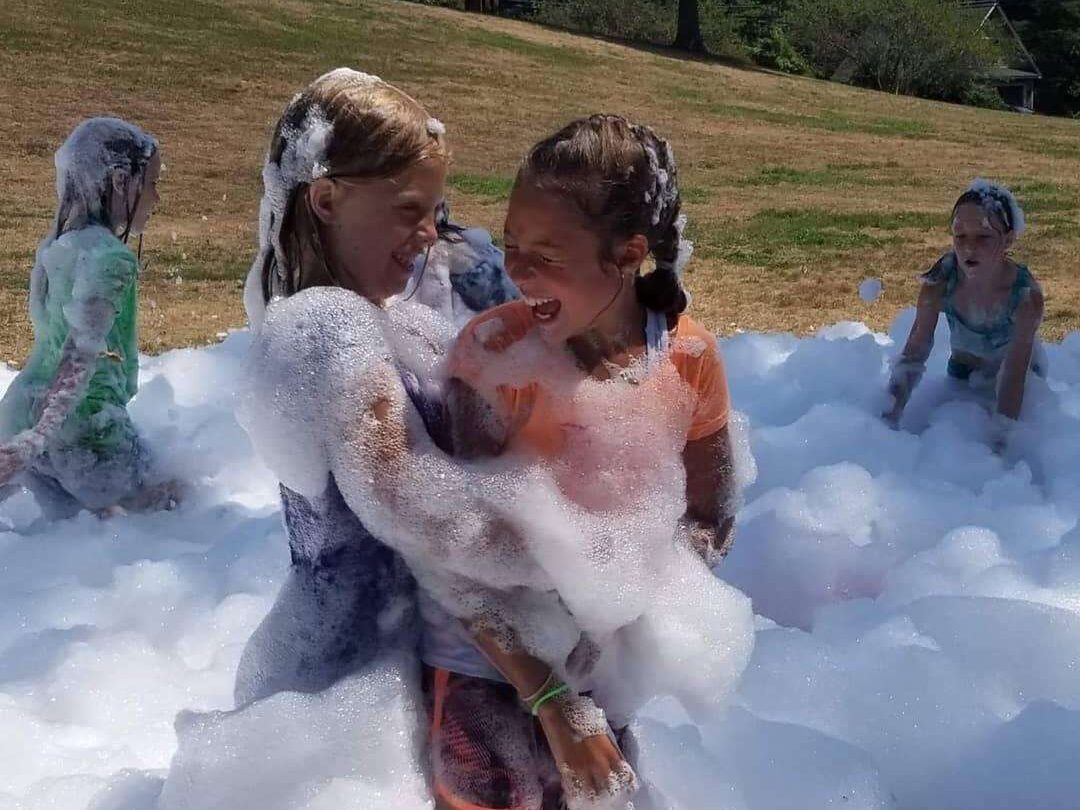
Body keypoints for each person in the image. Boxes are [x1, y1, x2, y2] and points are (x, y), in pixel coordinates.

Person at [423, 114, 740, 810]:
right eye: (510, 243)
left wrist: (629, 601)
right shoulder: (492, 354)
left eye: (547, 254)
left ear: (627, 256)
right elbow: (454, 551)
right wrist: (552, 696)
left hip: (602, 654)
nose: (517, 269)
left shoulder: (687, 357)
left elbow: (709, 518)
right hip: (483, 656)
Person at [0, 117, 170, 514]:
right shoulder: (110, 258)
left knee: (58, 547)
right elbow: (80, 351)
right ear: (118, 181)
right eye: (152, 184)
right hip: (87, 435)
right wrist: (37, 439)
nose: (156, 199)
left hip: (21, 413)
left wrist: (26, 439)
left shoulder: (59, 246)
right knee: (181, 507)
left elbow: (50, 346)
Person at [885, 179, 1045, 440]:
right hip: (963, 373)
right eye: (960, 236)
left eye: (983, 237)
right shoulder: (941, 282)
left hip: (1022, 384)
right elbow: (914, 352)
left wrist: (1002, 441)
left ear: (1008, 239)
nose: (969, 248)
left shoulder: (1025, 298)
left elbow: (1014, 376)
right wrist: (887, 416)